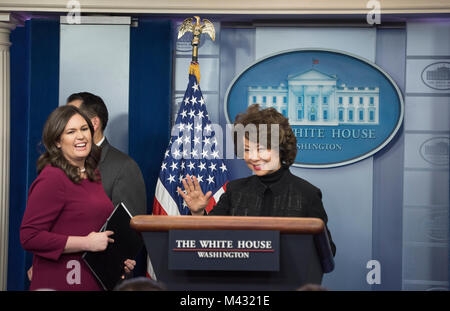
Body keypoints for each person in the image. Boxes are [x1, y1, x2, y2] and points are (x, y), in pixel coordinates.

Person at [177, 104, 336, 256]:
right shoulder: (234, 190)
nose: (252, 157)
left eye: (260, 149)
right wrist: (197, 212)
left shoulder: (307, 194)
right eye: (247, 150)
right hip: (239, 281)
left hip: (287, 282)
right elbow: (209, 239)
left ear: (280, 148)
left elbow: (327, 251)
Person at [20, 106, 135, 290]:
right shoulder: (53, 177)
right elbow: (29, 236)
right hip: (62, 282)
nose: (80, 136)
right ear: (58, 141)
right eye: (71, 132)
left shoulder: (92, 175)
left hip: (92, 281)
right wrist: (86, 243)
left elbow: (92, 228)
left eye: (84, 129)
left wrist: (116, 258)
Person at [66, 92, 147, 217]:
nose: (63, 123)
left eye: (70, 117)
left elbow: (128, 230)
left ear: (94, 124)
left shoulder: (124, 167)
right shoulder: (57, 163)